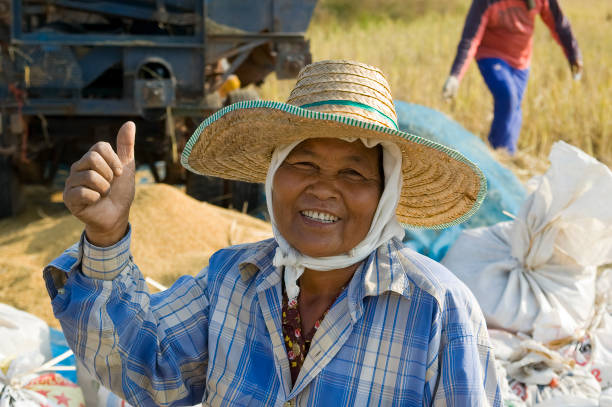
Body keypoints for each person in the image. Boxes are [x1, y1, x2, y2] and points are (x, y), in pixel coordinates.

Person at [44, 60, 501, 406]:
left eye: (354, 173)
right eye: (303, 164)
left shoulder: (436, 309)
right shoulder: (231, 280)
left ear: (385, 195)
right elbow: (147, 369)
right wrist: (106, 235)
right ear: (274, 176)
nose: (323, 188)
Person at [442, 0, 582, 154]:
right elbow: (470, 38)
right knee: (508, 96)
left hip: (521, 63)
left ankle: (499, 155)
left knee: (513, 110)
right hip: (491, 56)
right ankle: (503, 158)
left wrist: (573, 55)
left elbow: (559, 24)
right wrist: (455, 76)